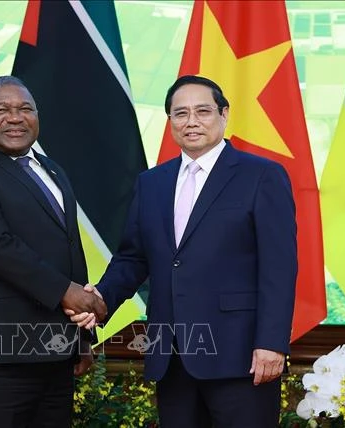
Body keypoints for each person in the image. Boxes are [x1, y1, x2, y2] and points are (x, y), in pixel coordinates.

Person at [70, 75, 297, 427]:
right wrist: (99, 300)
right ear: (170, 122)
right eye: (180, 113)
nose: (191, 121)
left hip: (242, 357)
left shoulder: (262, 176)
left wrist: (271, 343)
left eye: (203, 111)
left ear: (224, 114)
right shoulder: (152, 183)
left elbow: (279, 268)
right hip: (172, 358)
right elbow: (134, 257)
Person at [0, 75, 107, 428]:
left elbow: (70, 252)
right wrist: (66, 291)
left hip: (55, 352)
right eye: (1, 109)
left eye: (24, 109)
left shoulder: (52, 170)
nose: (15, 117)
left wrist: (82, 337)